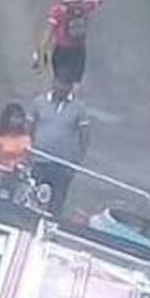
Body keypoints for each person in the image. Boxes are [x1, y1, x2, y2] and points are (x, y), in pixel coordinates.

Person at [29, 74, 91, 213]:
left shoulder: (79, 108)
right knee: (34, 198)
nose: (63, 88)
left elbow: (84, 136)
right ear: (54, 82)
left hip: (63, 165)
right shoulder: (39, 102)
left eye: (67, 85)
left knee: (56, 203)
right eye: (60, 83)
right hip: (39, 161)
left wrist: (76, 161)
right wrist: (29, 152)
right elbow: (29, 128)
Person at [37, 0, 105, 85]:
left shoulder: (58, 9)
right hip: (79, 49)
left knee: (60, 79)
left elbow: (49, 32)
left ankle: (58, 98)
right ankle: (73, 99)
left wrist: (42, 50)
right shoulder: (84, 5)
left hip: (62, 49)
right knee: (76, 80)